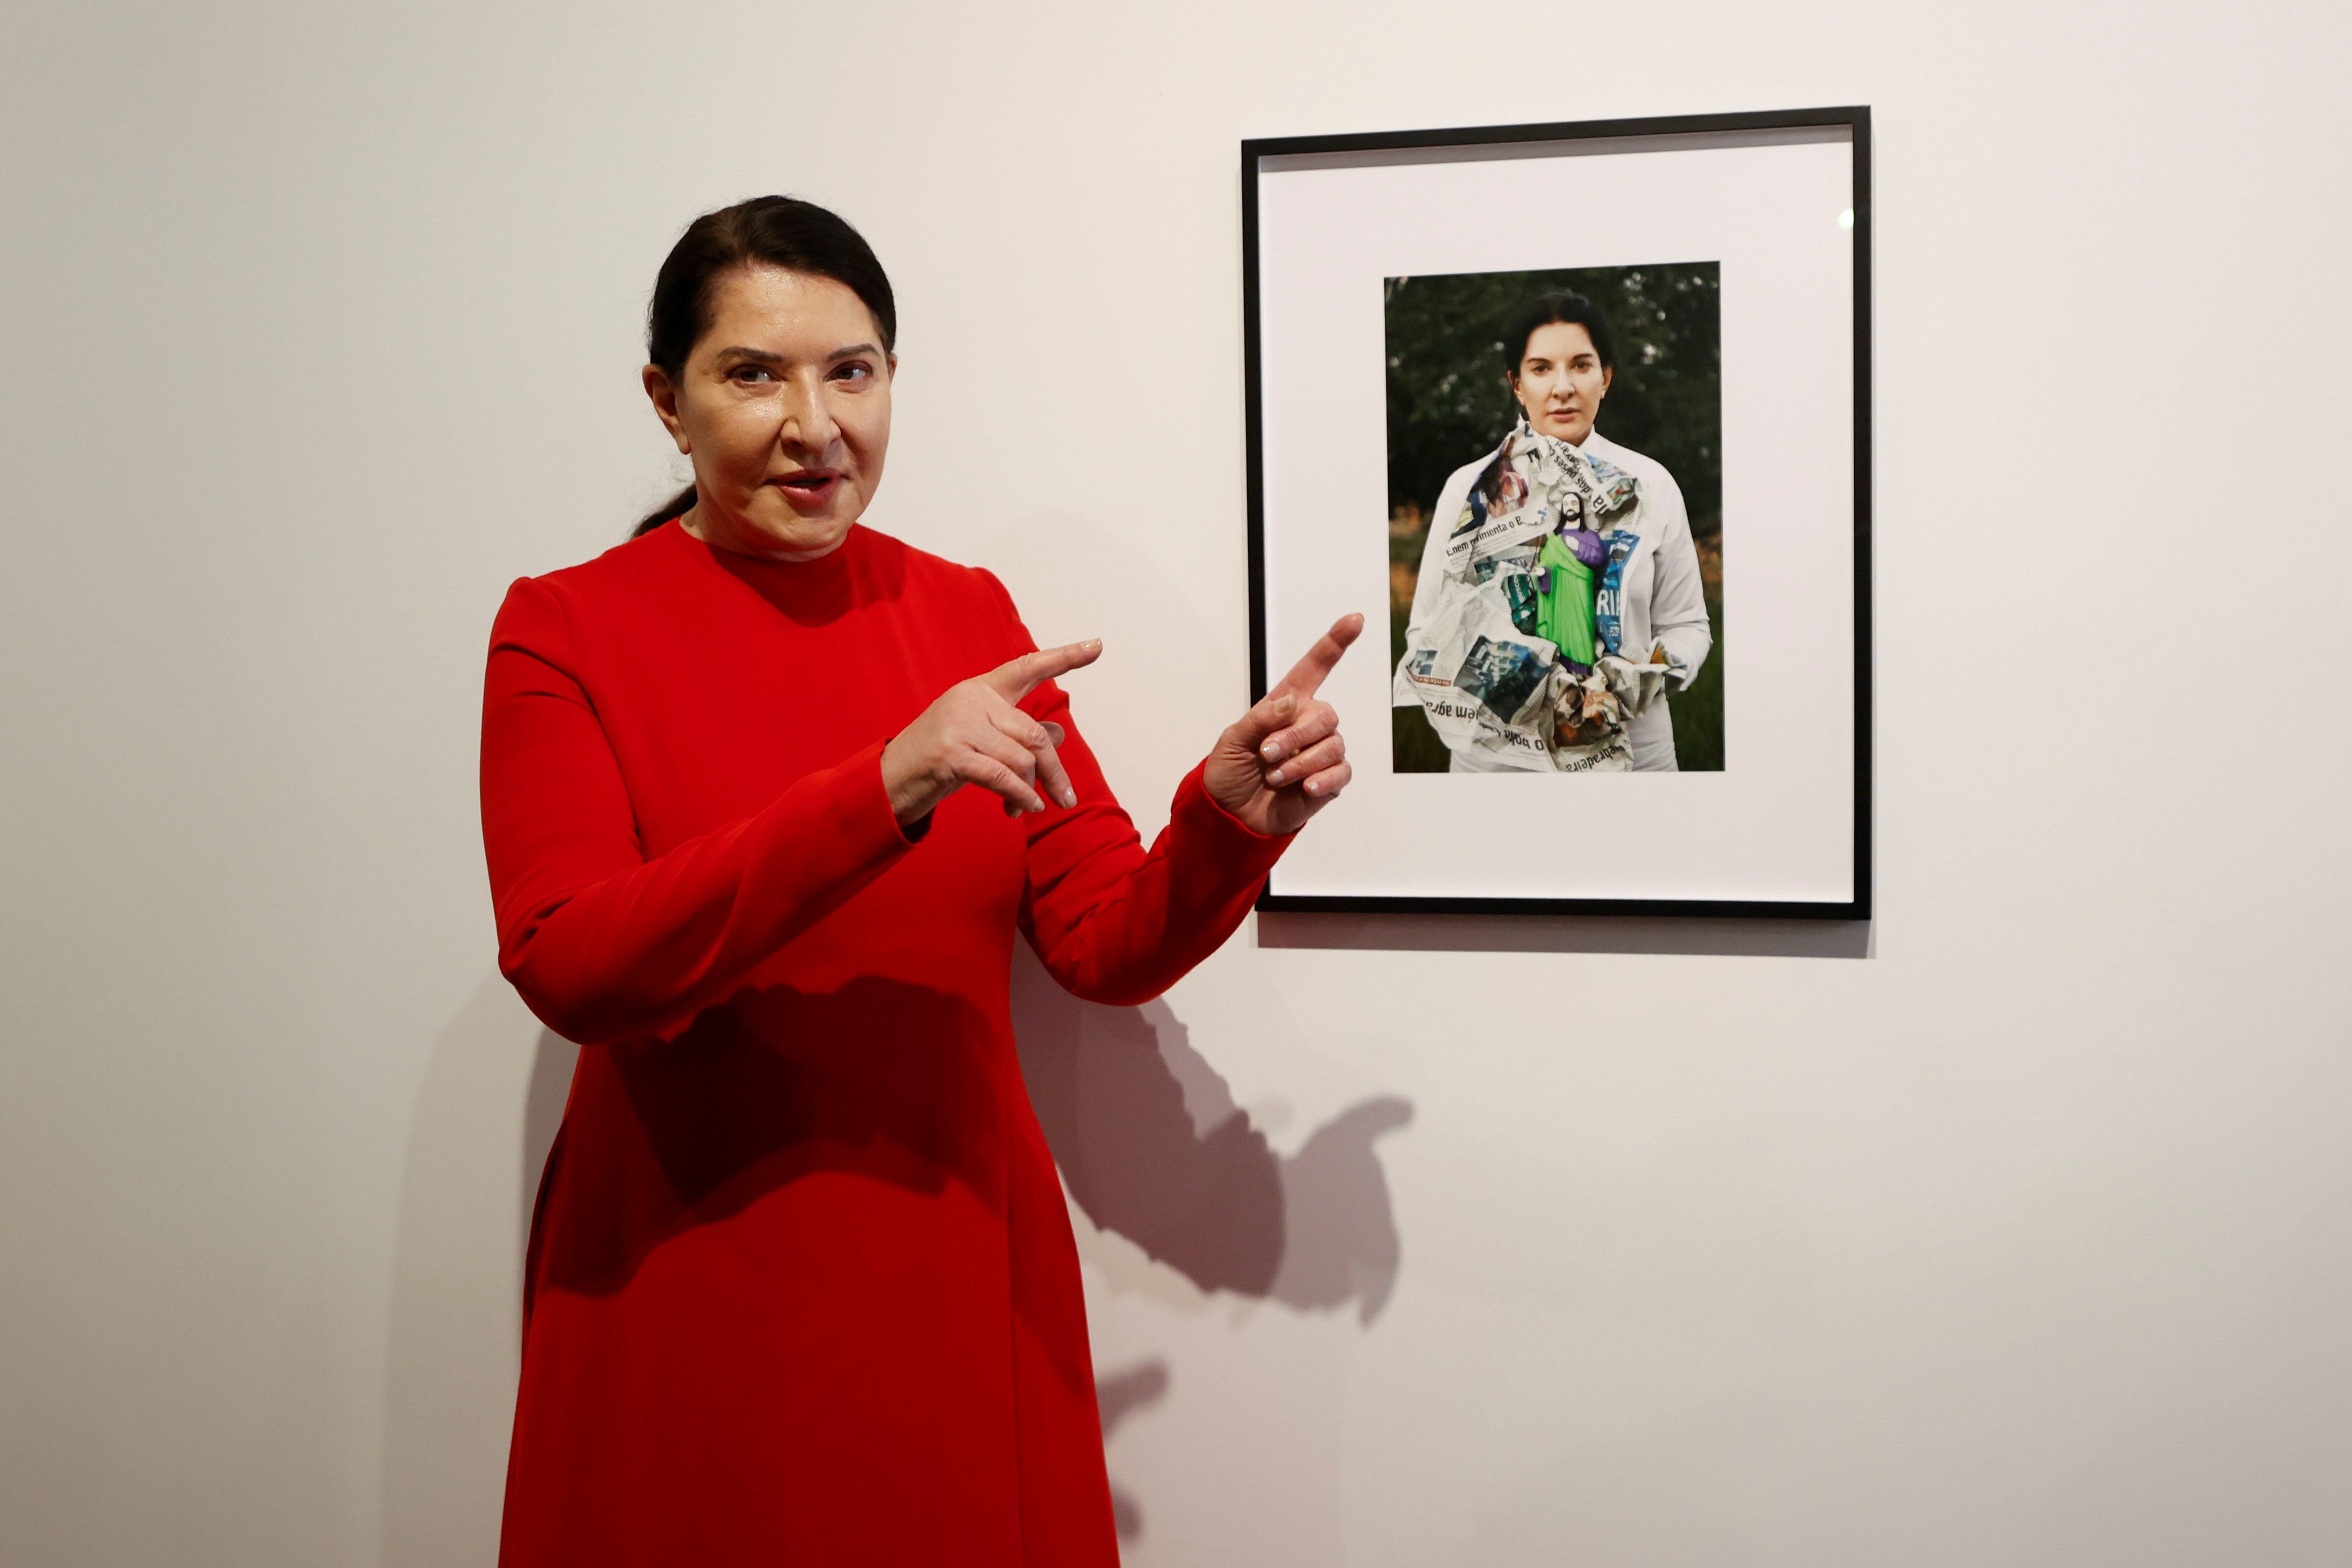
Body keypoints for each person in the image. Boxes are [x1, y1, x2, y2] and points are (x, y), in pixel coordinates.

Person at [478, 195, 1362, 1566]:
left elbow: (1097, 936)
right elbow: (572, 961)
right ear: (667, 399)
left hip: (952, 1266)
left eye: (853, 370)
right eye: (753, 373)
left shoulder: (963, 613)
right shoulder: (565, 626)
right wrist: (882, 784)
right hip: (683, 1273)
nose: (814, 423)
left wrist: (1227, 824)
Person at [1399, 291, 1711, 771]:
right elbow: (1425, 631)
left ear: (1605, 378)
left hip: (1634, 767)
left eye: (1581, 366)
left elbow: (1687, 626)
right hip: (1494, 775)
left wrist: (1642, 675)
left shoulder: (1652, 485)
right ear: (1516, 384)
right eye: (1541, 368)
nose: (1562, 387)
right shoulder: (1469, 489)